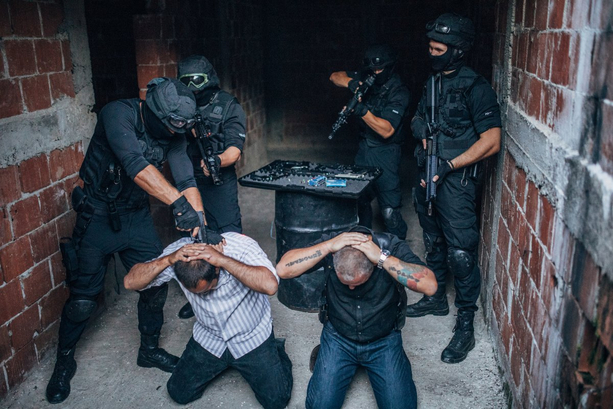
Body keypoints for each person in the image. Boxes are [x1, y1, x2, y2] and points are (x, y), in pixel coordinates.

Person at [46, 78, 206, 404]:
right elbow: (136, 165)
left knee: (155, 284)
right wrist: (178, 206)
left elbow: (185, 177)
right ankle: (64, 360)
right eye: (172, 128)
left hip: (135, 217)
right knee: (83, 300)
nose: (175, 135)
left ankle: (148, 351)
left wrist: (199, 221)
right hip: (98, 218)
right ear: (156, 114)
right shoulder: (117, 113)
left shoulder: (172, 132)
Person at [406, 13, 502, 364]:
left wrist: (449, 164)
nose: (431, 53)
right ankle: (435, 298)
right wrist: (421, 131)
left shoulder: (476, 87)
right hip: (425, 173)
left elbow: (492, 140)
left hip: (456, 181)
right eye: (430, 47)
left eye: (438, 48)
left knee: (461, 252)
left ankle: (465, 322)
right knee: (432, 239)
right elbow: (416, 117)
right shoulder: (431, 82)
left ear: (457, 51)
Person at [124, 233, 293, 408]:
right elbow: (130, 282)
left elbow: (270, 285)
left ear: (216, 271)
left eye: (208, 289)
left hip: (251, 337)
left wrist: (223, 260)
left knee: (276, 402)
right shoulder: (180, 253)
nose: (203, 296)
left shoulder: (241, 246)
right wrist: (167, 260)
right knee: (178, 393)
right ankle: (224, 361)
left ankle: (276, 349)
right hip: (210, 337)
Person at [277, 227, 437, 409]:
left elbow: (430, 286)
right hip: (339, 337)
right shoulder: (333, 245)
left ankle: (396, 360)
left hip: (383, 339)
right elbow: (283, 269)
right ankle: (329, 356)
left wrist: (382, 259)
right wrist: (329, 246)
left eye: (358, 283)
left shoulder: (389, 247)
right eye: (346, 284)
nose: (351, 288)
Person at [176, 55, 247, 319]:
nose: (193, 86)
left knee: (228, 236)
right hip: (188, 178)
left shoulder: (228, 105)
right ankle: (197, 293)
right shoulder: (178, 105)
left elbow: (234, 150)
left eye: (197, 80)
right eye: (186, 81)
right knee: (195, 235)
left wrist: (216, 161)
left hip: (218, 178)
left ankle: (235, 290)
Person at [329, 44, 410, 239]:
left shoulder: (398, 91)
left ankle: (400, 251)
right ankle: (362, 242)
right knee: (359, 200)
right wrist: (352, 83)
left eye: (379, 69)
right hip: (365, 148)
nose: (375, 73)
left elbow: (386, 130)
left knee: (389, 212)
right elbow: (334, 76)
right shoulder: (367, 77)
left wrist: (361, 110)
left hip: (386, 153)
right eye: (372, 69)